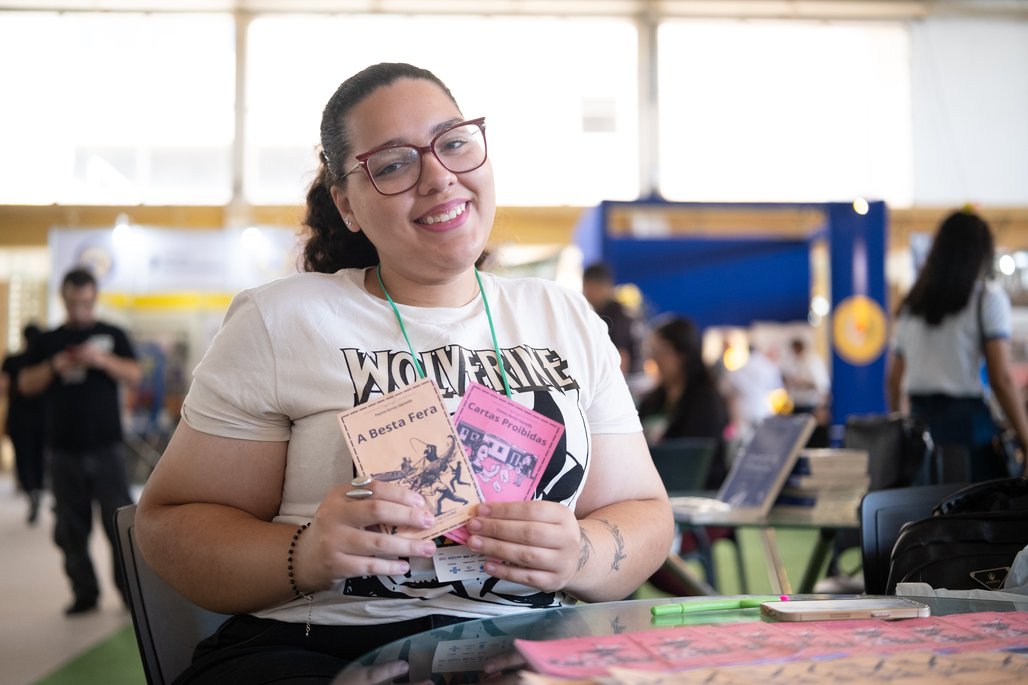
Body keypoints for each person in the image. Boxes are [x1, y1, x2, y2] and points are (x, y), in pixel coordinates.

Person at [134, 62, 673, 683]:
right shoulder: (282, 320)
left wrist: (582, 553)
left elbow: (644, 511)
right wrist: (305, 552)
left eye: (455, 143)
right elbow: (168, 523)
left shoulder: (562, 316)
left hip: (531, 647)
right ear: (347, 205)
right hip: (321, 647)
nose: (439, 176)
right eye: (393, 165)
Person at [18, 267, 142, 615]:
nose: (80, 310)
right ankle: (84, 593)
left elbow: (134, 373)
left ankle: (130, 595)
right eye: (74, 303)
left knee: (119, 525)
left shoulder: (112, 333)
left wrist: (100, 359)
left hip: (107, 446)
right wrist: (55, 365)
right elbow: (25, 384)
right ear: (64, 298)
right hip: (63, 449)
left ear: (94, 298)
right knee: (70, 528)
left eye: (86, 303)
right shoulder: (48, 341)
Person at [887, 209, 1028, 482]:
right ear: (981, 254)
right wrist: (1026, 438)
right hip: (969, 431)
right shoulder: (986, 299)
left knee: (925, 507)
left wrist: (902, 429)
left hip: (920, 426)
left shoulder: (911, 306)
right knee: (973, 506)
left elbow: (893, 381)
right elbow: (1000, 378)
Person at [637, 316, 729, 489]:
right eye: (652, 351)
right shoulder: (653, 400)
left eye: (662, 351)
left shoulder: (705, 402)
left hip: (694, 490)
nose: (654, 359)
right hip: (652, 485)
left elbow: (695, 459)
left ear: (683, 354)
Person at [1, 322, 47, 524]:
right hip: (44, 417)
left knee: (23, 457)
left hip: (19, 417)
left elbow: (3, 388)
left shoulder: (13, 361)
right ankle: (39, 489)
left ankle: (31, 491)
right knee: (40, 456)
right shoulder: (45, 363)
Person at [582, 262, 646, 379]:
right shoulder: (610, 311)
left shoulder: (614, 315)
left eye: (588, 286)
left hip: (629, 379)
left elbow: (621, 355)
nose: (585, 292)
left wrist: (616, 384)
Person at [780, 337, 831, 420]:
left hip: (810, 403)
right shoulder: (795, 361)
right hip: (797, 402)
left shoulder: (812, 361)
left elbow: (821, 384)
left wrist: (802, 383)